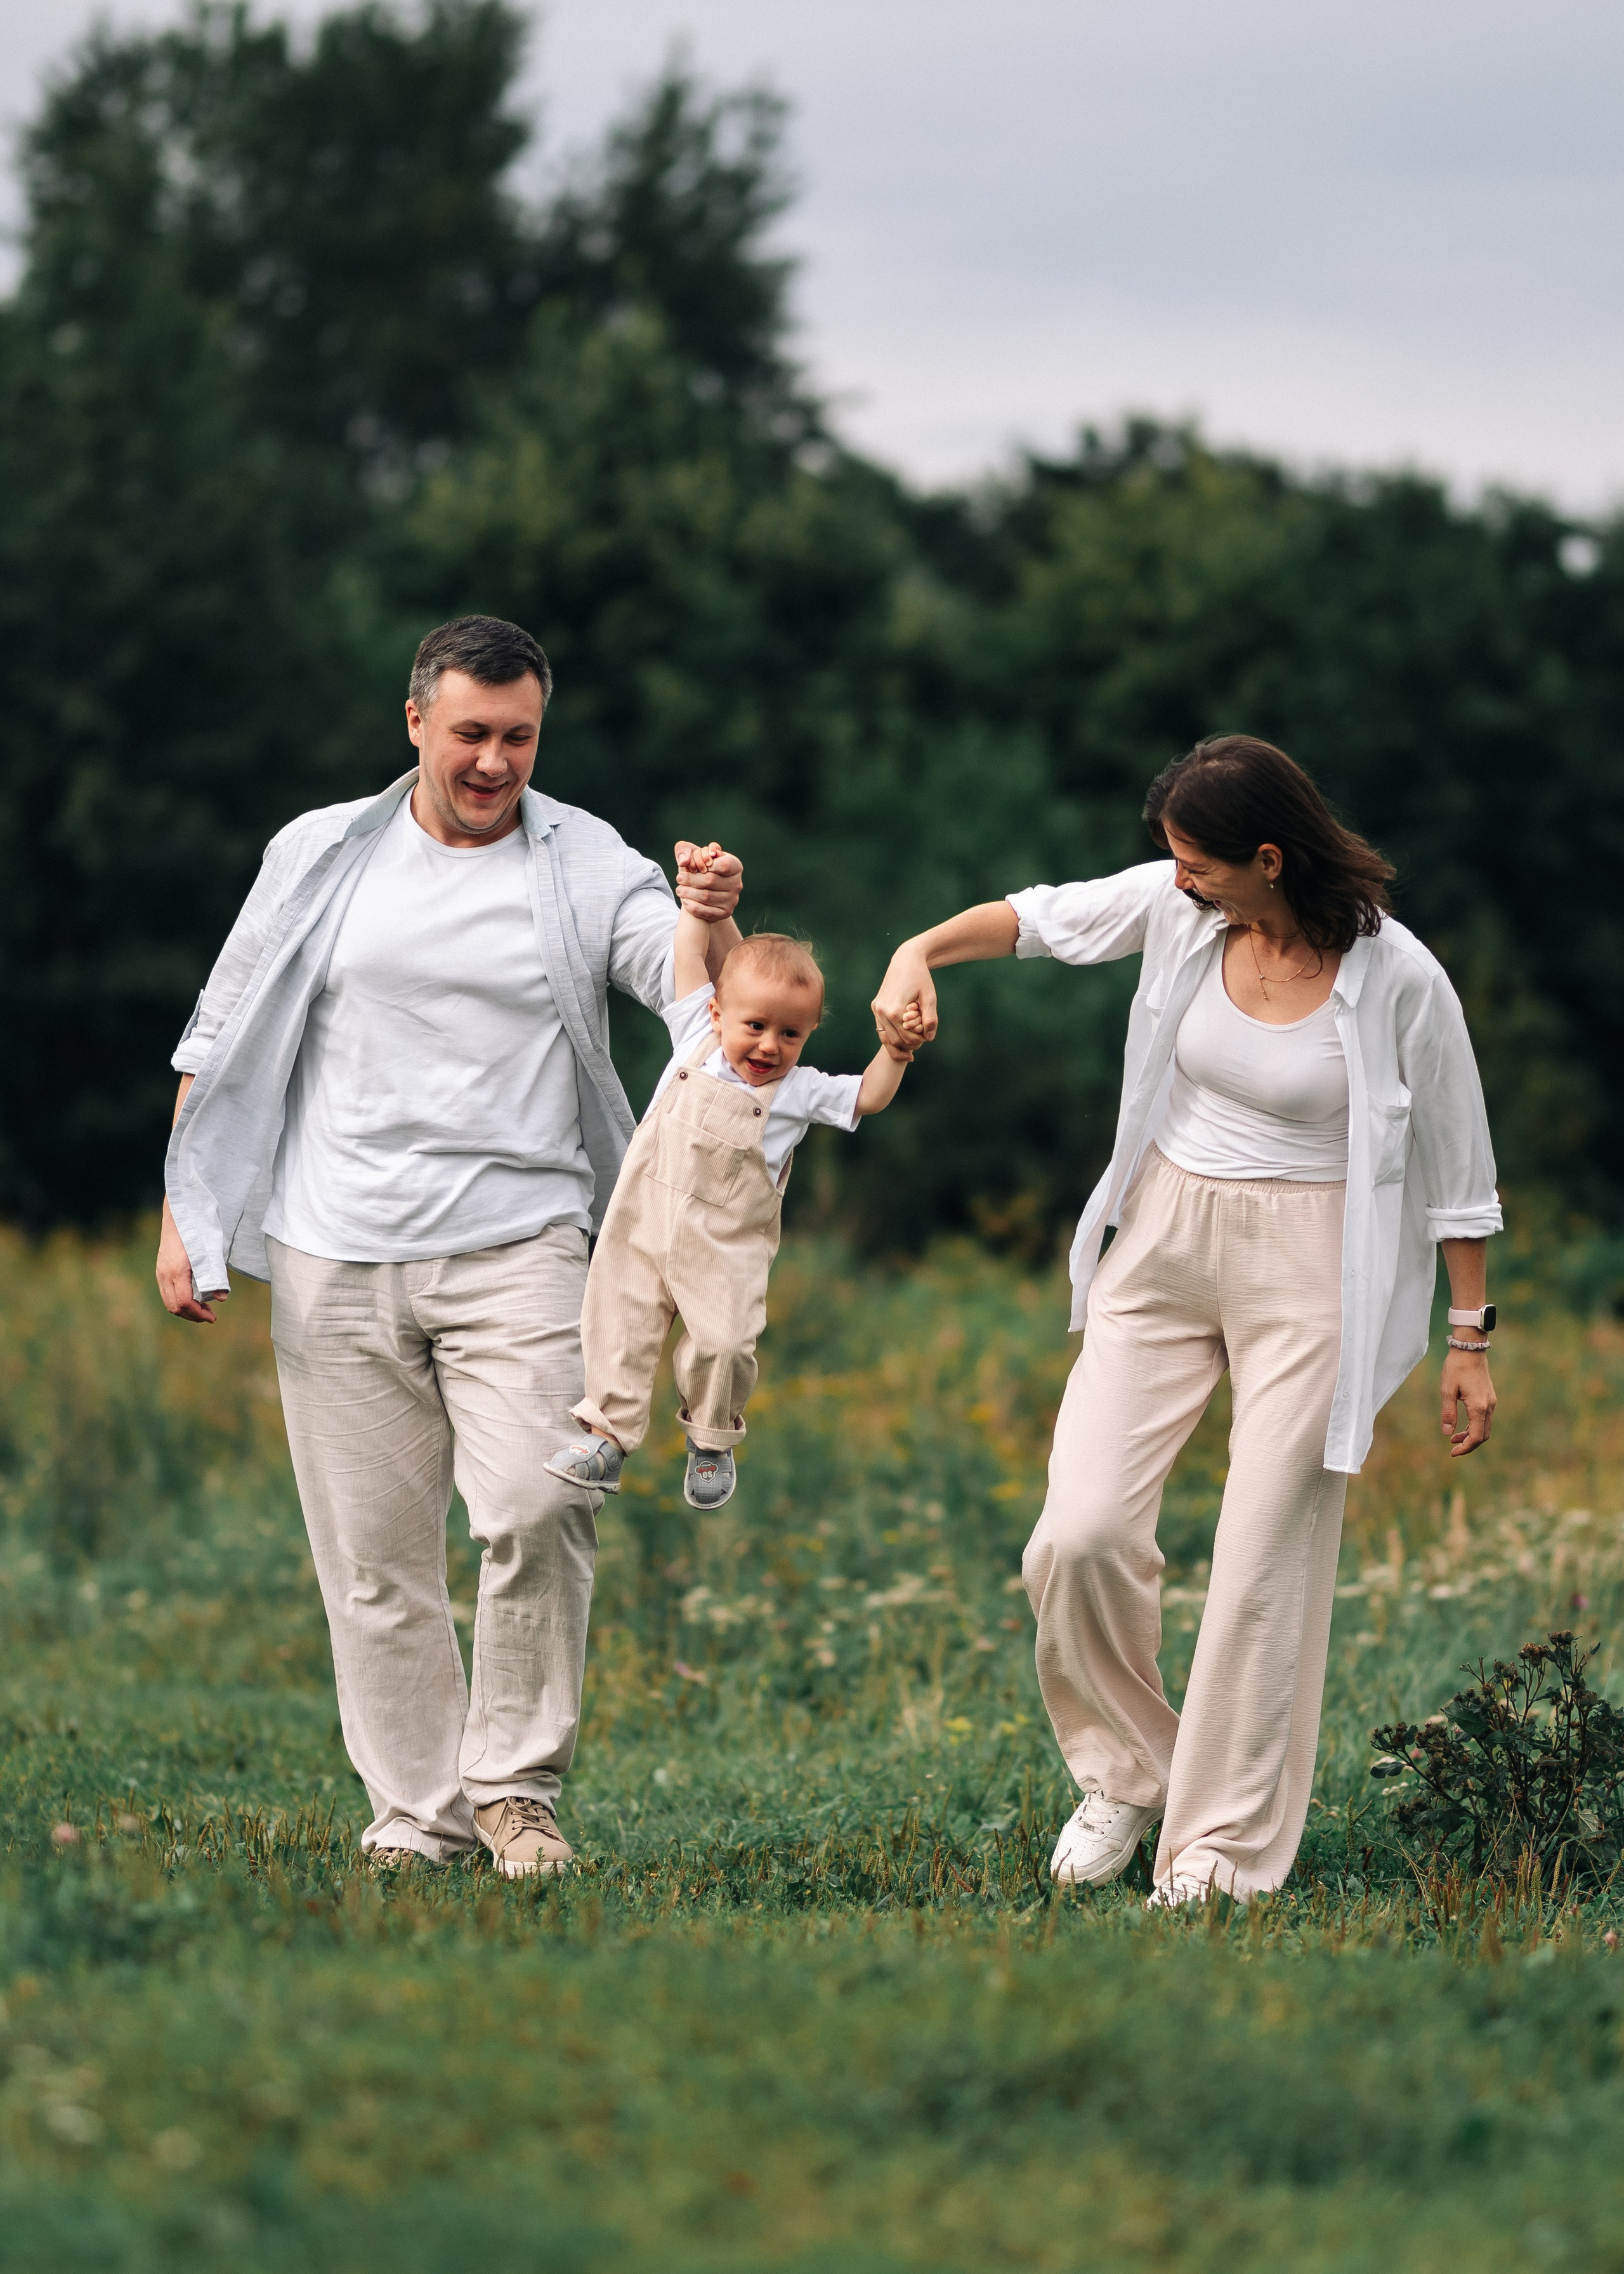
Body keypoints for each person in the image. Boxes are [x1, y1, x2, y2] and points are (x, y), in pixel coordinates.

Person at [156, 614, 743, 1877]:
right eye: (471, 732)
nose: (493, 761)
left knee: (541, 1501)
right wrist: (183, 1215)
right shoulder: (320, 850)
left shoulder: (586, 861)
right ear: (416, 719)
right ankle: (419, 1818)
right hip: (333, 1248)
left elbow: (708, 1008)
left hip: (521, 1244)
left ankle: (515, 1791)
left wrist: (712, 917)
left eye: (518, 736)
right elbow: (223, 1027)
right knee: (373, 1561)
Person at [872, 735, 1502, 1907]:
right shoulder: (1182, 908)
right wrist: (919, 951)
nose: (1177, 878)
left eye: (1198, 861)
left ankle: (1219, 1851)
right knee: (1078, 1534)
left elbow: (1459, 1164)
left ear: (1270, 856)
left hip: (1313, 1265)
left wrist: (1471, 1335)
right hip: (1165, 1236)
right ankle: (1131, 1770)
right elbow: (1037, 917)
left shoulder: (1400, 975)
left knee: (1262, 1565)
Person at [547, 866, 920, 1511]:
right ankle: (606, 1439)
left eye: (790, 1033)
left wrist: (896, 1051)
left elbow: (868, 1095)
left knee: (723, 1345)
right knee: (618, 1325)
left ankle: (712, 1437)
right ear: (718, 1012)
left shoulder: (798, 1091)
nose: (770, 1046)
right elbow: (688, 955)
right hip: (644, 1219)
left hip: (725, 1247)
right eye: (755, 1025)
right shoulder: (694, 1036)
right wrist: (697, 903)